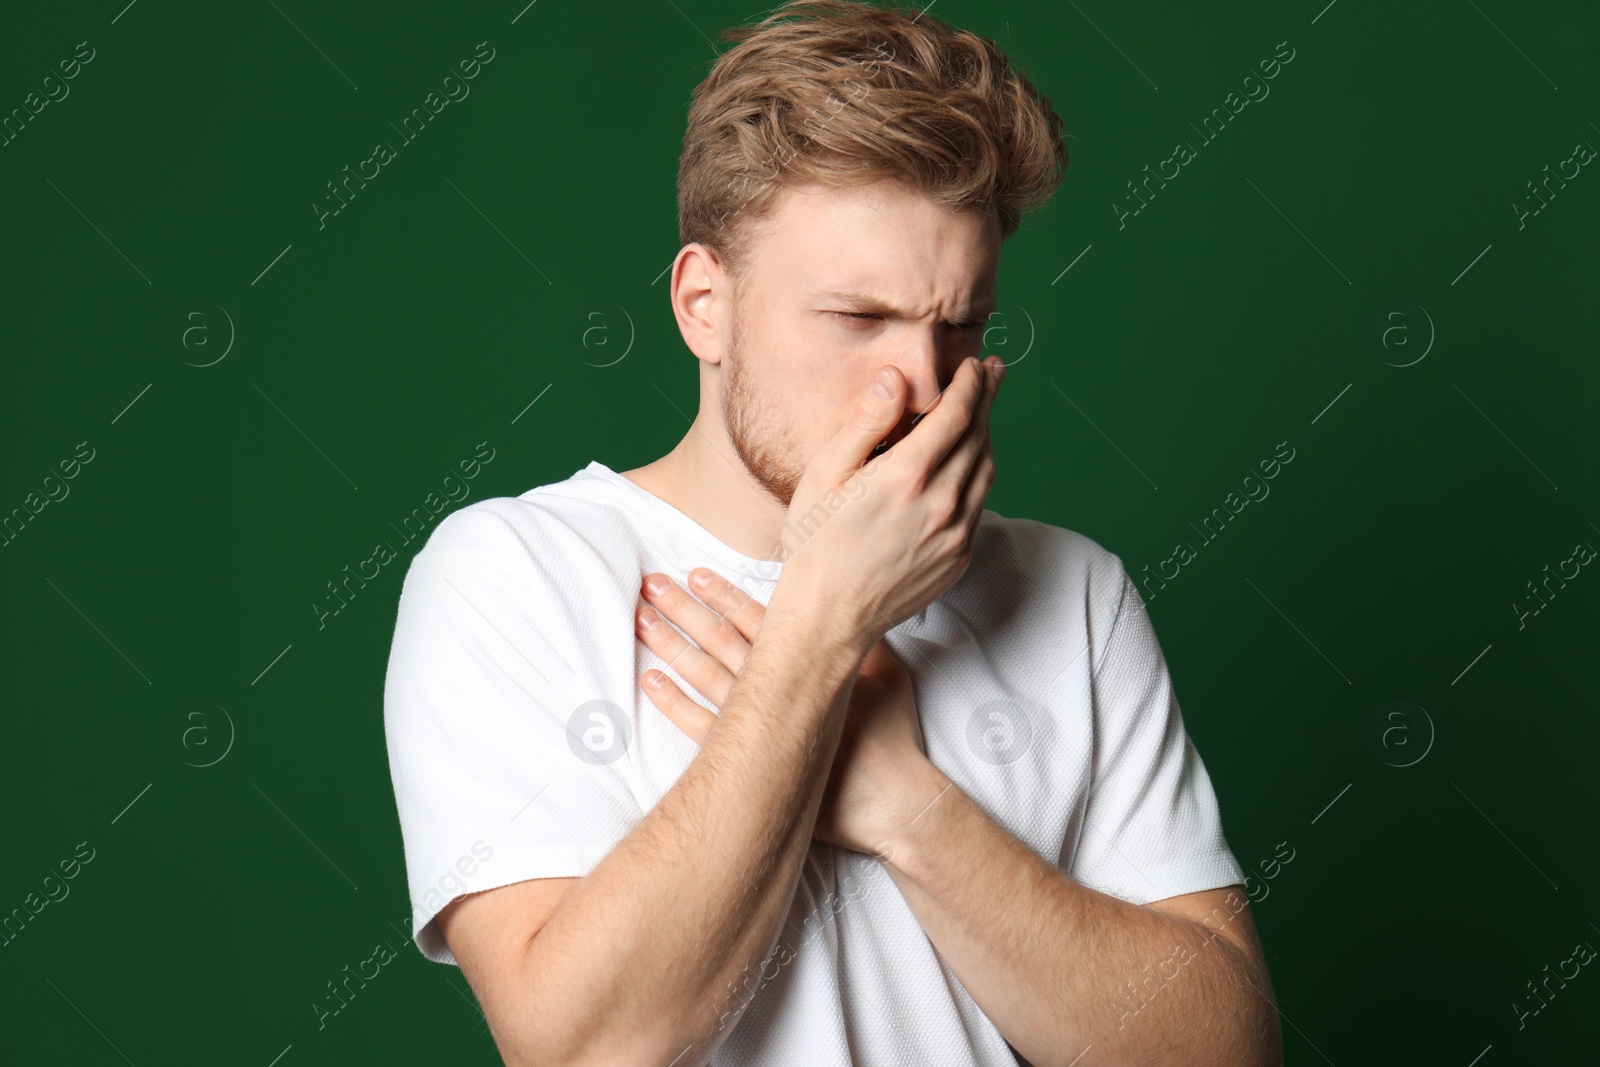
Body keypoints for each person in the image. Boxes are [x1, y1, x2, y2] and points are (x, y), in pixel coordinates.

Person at [382, 2, 1281, 1064]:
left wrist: (907, 805)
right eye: (857, 318)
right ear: (702, 306)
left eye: (959, 326)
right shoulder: (513, 574)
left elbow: (1224, 1051)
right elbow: (588, 1047)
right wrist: (819, 625)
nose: (918, 384)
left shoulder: (1073, 591)